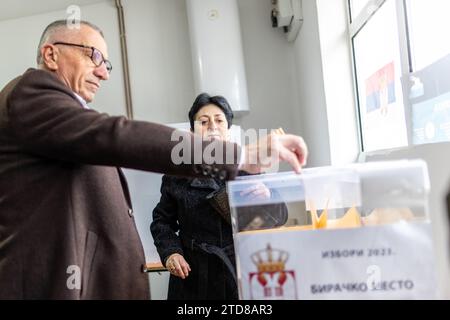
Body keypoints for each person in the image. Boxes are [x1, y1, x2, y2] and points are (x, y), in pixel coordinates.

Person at [0, 20, 307, 299]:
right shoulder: (30, 93)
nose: (104, 72)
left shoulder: (242, 172)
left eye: (106, 63)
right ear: (51, 55)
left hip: (235, 280)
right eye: (94, 56)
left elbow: (273, 218)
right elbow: (115, 136)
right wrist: (243, 154)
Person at [150, 93, 288, 300]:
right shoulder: (176, 174)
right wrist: (171, 252)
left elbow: (280, 217)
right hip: (193, 275)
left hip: (239, 270)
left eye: (219, 120)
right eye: (203, 122)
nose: (212, 126)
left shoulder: (249, 169)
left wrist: (266, 196)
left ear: (228, 130)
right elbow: (162, 222)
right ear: (192, 132)